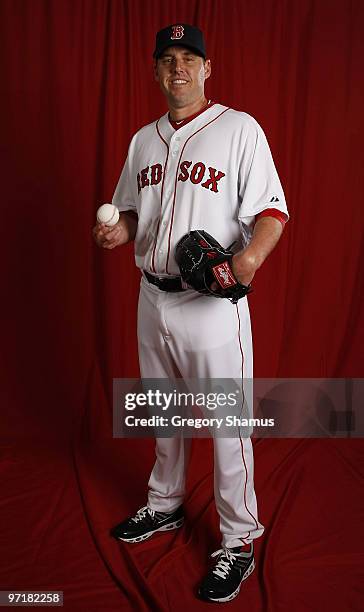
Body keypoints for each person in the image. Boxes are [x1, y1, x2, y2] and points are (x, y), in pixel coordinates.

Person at [93, 23, 288, 604]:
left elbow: (272, 210)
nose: (178, 68)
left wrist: (246, 262)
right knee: (164, 411)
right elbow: (130, 215)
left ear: (208, 68)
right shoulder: (141, 141)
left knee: (229, 425)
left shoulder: (239, 130)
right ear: (155, 71)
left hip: (209, 304)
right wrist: (115, 231)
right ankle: (164, 504)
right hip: (151, 296)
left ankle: (238, 540)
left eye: (189, 58)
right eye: (167, 59)